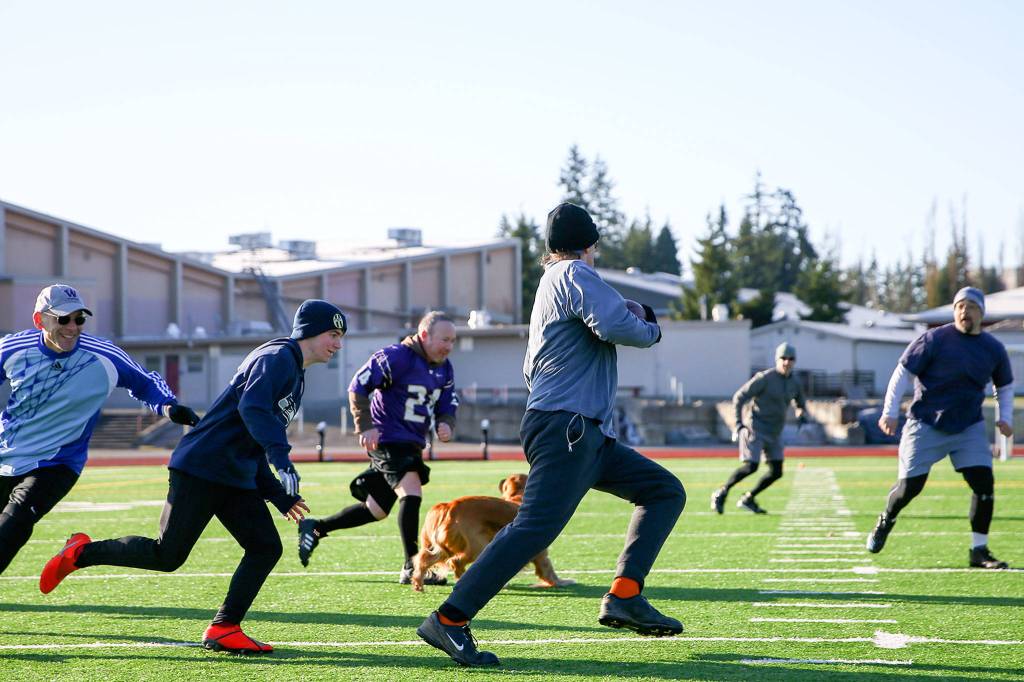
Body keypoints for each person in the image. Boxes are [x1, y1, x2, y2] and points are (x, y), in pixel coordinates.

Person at [416, 202, 686, 667]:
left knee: (664, 491)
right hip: (570, 425)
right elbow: (620, 326)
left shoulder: (554, 283)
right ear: (591, 246)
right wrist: (650, 325)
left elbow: (537, 364)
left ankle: (624, 594)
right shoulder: (576, 275)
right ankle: (450, 619)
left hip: (580, 429)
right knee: (532, 529)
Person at [40, 299, 348, 653]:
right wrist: (282, 458)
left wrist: (278, 494)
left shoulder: (294, 371)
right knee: (167, 555)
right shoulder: (277, 357)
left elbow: (251, 439)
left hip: (233, 474)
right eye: (333, 334)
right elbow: (253, 409)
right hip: (202, 467)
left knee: (265, 547)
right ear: (309, 331)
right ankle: (80, 552)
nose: (338, 344)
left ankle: (224, 627)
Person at [0, 284, 198, 575]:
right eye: (63, 319)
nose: (72, 327)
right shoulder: (12, 349)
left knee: (15, 522)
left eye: (79, 319)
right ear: (40, 320)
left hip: (57, 464)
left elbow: (145, 382)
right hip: (6, 455)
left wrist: (167, 407)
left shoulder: (103, 355)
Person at [297, 310, 457, 586]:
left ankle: (317, 527)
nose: (448, 346)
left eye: (453, 341)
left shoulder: (444, 367)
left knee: (377, 509)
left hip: (412, 442)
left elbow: (447, 403)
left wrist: (445, 423)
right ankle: (413, 565)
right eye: (444, 339)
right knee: (412, 490)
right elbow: (357, 386)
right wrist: (365, 425)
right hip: (388, 439)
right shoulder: (396, 357)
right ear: (424, 335)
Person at [866, 287, 1013, 569]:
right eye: (959, 306)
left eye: (970, 306)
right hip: (925, 423)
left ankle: (978, 551)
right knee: (909, 488)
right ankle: (886, 519)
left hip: (968, 426)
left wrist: (1004, 417)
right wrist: (889, 412)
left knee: (984, 484)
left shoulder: (993, 348)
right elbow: (902, 373)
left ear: (981, 312)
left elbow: (1004, 386)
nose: (964, 311)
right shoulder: (934, 339)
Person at [711, 342, 808, 515]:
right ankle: (722, 492)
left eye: (791, 359)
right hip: (755, 427)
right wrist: (739, 423)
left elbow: (800, 403)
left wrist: (802, 414)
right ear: (777, 359)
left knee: (777, 472)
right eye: (783, 358)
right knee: (751, 467)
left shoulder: (795, 382)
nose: (787, 362)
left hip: (775, 431)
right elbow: (739, 397)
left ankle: (748, 498)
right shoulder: (764, 378)